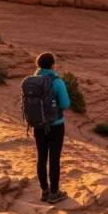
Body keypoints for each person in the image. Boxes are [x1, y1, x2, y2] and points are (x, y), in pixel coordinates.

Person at [29, 52, 71, 203]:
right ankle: (54, 193)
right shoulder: (57, 82)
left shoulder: (32, 81)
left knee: (41, 157)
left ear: (38, 65)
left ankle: (44, 191)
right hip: (56, 125)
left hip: (38, 124)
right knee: (54, 159)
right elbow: (65, 104)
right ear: (53, 65)